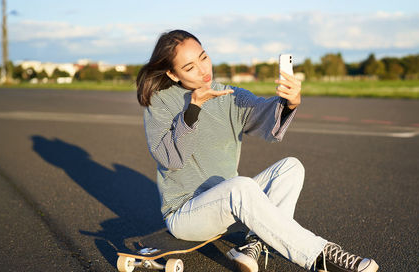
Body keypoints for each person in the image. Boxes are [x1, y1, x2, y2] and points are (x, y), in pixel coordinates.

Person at [136, 29, 378, 272]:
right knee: (241, 186)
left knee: (291, 167)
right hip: (186, 215)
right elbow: (171, 158)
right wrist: (194, 109)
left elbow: (264, 113)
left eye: (203, 57)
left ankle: (254, 244)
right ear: (172, 73)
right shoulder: (159, 102)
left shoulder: (228, 95)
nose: (203, 69)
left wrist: (289, 102)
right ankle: (321, 256)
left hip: (230, 207)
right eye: (189, 67)